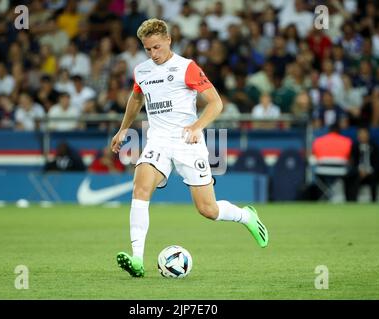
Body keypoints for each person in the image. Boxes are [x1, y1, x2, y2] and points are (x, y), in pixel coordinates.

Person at [110, 18, 269, 278]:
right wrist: (123, 128)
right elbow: (137, 97)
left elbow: (216, 103)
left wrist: (197, 126)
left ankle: (246, 216)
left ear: (168, 40)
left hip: (187, 142)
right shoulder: (142, 71)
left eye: (157, 47)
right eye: (148, 49)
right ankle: (137, 259)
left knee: (208, 209)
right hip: (158, 140)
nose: (153, 54)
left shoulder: (187, 68)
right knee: (140, 188)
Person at [345, 127, 379, 202]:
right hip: (358, 172)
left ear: (368, 135)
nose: (362, 135)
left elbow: (377, 163)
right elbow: (352, 162)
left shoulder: (375, 147)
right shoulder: (354, 147)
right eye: (360, 134)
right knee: (349, 176)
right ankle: (351, 201)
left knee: (374, 176)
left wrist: (368, 171)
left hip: (372, 172)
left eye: (364, 133)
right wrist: (360, 170)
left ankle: (374, 200)